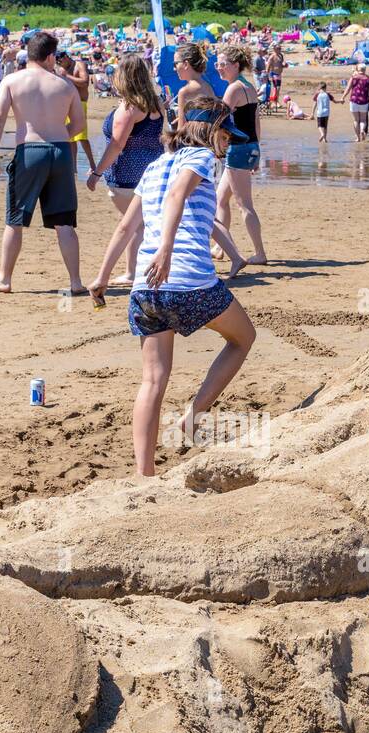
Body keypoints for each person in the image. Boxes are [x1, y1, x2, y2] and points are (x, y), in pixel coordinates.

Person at [87, 98, 257, 477]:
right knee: (243, 337)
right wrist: (165, 249)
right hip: (187, 279)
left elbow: (125, 228)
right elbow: (179, 194)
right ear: (208, 131)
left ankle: (144, 475)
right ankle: (192, 416)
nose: (229, 143)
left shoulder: (152, 168)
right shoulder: (199, 157)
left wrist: (101, 278)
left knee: (152, 380)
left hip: (145, 289)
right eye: (226, 134)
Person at [0, 31, 86, 296]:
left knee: (15, 217)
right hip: (61, 150)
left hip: (29, 148)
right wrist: (61, 133)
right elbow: (79, 125)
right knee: (64, 222)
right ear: (51, 56)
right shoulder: (64, 85)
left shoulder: (12, 80)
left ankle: (4, 278)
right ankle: (75, 281)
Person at [87, 53, 169, 287]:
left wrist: (96, 173)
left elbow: (116, 144)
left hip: (127, 174)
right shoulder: (155, 102)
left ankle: (135, 272)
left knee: (133, 225)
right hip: (153, 169)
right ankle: (132, 271)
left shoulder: (129, 107)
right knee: (139, 224)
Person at [214, 46, 267, 266]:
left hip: (238, 149)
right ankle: (219, 246)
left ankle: (260, 253)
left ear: (236, 65)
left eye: (223, 64)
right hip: (249, 147)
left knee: (244, 204)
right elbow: (255, 122)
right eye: (217, 64)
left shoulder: (233, 89)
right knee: (220, 199)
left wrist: (216, 147)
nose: (219, 68)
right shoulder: (249, 86)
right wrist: (257, 150)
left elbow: (219, 122)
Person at [57, 50, 95, 173]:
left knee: (82, 137)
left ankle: (93, 165)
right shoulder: (61, 69)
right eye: (57, 62)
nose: (59, 63)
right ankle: (73, 168)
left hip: (80, 103)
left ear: (66, 57)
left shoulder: (79, 65)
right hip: (67, 104)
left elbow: (84, 83)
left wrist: (66, 76)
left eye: (60, 60)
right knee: (70, 137)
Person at [172, 43, 213, 120]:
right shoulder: (207, 86)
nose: (174, 69)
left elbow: (181, 129)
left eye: (175, 64)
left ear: (186, 64)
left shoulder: (184, 92)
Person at [342, 65, 369, 142]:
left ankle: (358, 137)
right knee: (363, 120)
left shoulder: (353, 77)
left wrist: (343, 97)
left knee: (356, 120)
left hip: (354, 100)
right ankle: (362, 130)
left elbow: (348, 88)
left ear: (358, 69)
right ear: (365, 70)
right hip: (364, 101)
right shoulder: (368, 78)